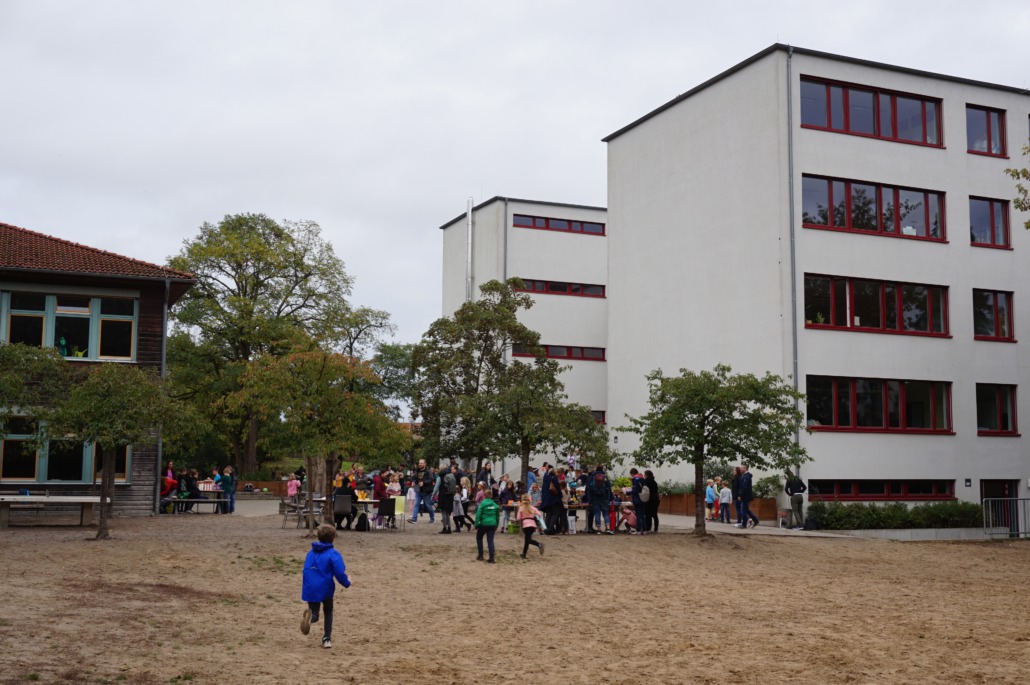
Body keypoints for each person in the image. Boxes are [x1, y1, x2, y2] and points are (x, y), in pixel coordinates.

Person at [300, 524, 352, 650]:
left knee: (315, 613)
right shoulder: (333, 554)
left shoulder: (310, 553)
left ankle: (310, 618)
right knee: (328, 610)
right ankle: (326, 638)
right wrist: (347, 582)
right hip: (325, 587)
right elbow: (339, 572)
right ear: (333, 538)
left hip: (310, 586)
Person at [474, 489, 501, 563]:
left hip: (483, 524)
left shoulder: (482, 504)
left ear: (484, 496)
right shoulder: (495, 505)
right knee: (490, 540)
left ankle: (480, 555)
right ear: (491, 496)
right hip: (492, 524)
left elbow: (478, 514)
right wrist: (496, 525)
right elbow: (497, 516)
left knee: (479, 538)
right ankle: (491, 557)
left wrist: (476, 524)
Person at [587, 465, 613, 535]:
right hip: (604, 498)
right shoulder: (605, 477)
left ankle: (599, 529)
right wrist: (610, 498)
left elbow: (588, 489)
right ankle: (607, 528)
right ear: (602, 469)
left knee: (597, 514)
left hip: (594, 498)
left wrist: (589, 499)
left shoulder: (592, 477)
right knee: (606, 514)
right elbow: (609, 488)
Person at [515, 494, 544, 559]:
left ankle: (539, 544)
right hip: (533, 525)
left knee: (528, 540)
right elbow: (539, 514)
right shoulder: (533, 508)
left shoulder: (521, 508)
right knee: (527, 539)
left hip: (526, 525)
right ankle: (524, 554)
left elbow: (518, 518)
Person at [409, 458, 435, 525]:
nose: (420, 464)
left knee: (428, 506)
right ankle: (414, 519)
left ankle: (432, 518)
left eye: (421, 463)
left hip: (426, 492)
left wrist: (424, 483)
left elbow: (431, 480)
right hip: (419, 491)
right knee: (416, 504)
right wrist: (414, 482)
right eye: (419, 463)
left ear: (425, 464)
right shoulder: (417, 471)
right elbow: (414, 478)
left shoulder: (429, 472)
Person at [539, 465, 562, 534]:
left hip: (545, 499)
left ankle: (546, 528)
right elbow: (557, 489)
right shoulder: (554, 479)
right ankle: (550, 529)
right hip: (552, 499)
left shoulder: (545, 479)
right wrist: (560, 495)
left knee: (548, 514)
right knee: (555, 513)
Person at [437, 464, 457, 534]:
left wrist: (433, 495)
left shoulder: (441, 476)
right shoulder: (451, 475)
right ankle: (449, 528)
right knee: (448, 513)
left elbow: (437, 487)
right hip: (450, 495)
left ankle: (444, 528)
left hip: (443, 495)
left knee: (443, 513)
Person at [739, 464, 759, 528]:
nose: (740, 469)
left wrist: (741, 495)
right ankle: (755, 520)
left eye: (741, 468)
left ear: (745, 468)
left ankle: (744, 524)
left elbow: (744, 486)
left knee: (743, 510)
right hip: (746, 496)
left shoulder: (746, 476)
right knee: (746, 510)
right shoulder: (745, 476)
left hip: (745, 496)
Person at [629, 467, 646, 535]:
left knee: (638, 515)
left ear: (632, 473)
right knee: (642, 515)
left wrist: (627, 492)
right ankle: (644, 529)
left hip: (637, 499)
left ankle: (639, 530)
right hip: (643, 498)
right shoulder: (642, 478)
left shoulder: (635, 480)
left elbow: (635, 490)